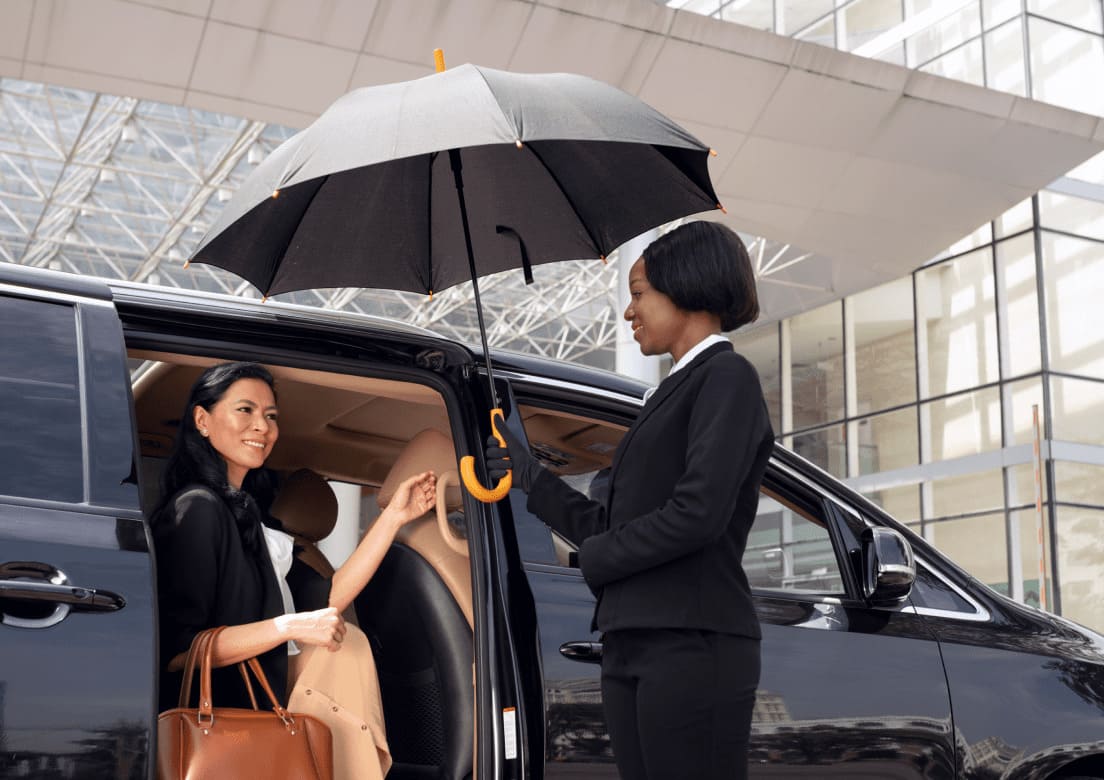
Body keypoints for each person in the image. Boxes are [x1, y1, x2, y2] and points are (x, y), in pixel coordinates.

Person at [487, 221, 773, 780]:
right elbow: (616, 524)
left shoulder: (727, 377)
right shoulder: (668, 393)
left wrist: (595, 561)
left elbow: (697, 515)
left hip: (691, 643)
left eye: (639, 293)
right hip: (633, 640)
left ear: (686, 287)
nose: (628, 311)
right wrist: (531, 478)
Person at [151, 361, 436, 780]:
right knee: (347, 645)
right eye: (245, 410)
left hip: (262, 713)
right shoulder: (196, 510)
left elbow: (329, 600)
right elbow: (178, 653)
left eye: (270, 416)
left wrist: (394, 516)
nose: (262, 427)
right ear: (202, 420)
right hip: (228, 717)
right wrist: (285, 628)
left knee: (344, 640)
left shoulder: (251, 521)